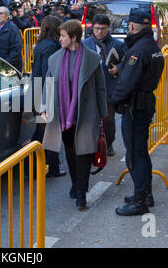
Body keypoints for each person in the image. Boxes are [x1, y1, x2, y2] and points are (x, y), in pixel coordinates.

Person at [40, 19, 107, 209]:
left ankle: (81, 192)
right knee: (70, 151)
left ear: (74, 37)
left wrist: (102, 114)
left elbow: (100, 88)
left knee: (84, 152)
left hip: (86, 113)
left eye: (63, 36)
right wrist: (44, 107)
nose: (59, 39)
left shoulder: (92, 58)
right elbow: (48, 84)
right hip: (63, 115)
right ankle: (75, 184)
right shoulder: (55, 58)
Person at [108, 8, 165, 216]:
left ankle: (140, 200)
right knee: (141, 151)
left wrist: (113, 101)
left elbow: (127, 82)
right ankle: (145, 193)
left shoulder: (138, 50)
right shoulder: (152, 46)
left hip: (135, 106)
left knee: (134, 154)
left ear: (131, 26)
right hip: (145, 102)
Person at [82, 14, 127, 156]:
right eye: (97, 28)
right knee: (90, 118)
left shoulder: (118, 45)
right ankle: (92, 143)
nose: (99, 32)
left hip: (109, 87)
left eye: (103, 29)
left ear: (108, 28)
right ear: (92, 28)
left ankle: (108, 143)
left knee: (108, 119)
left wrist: (118, 69)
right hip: (90, 88)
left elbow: (125, 63)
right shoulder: (85, 44)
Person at [31, 15, 66, 178]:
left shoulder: (40, 45)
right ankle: (52, 168)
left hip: (37, 89)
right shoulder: (52, 46)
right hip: (47, 91)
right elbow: (49, 72)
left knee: (40, 132)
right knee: (50, 132)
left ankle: (33, 166)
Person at [0, 6, 23, 71]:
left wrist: (5, 64)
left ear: (7, 16)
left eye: (1, 13)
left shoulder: (13, 28)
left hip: (9, 67)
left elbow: (16, 50)